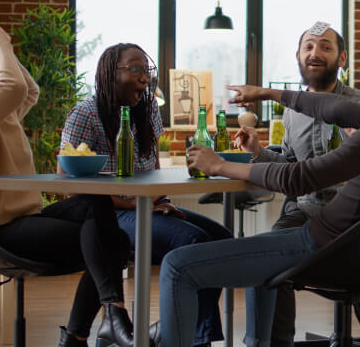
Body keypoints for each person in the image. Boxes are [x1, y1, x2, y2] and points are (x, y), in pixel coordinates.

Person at [159, 11, 360, 347]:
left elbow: (300, 178)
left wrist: (220, 165)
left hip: (323, 246)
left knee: (177, 266)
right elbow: (331, 108)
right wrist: (267, 93)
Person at [0, 26, 134, 347]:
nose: (0, 54)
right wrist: (0, 41)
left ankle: (96, 324)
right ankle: (102, 321)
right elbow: (13, 88)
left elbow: (27, 91)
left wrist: (3, 49)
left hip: (22, 220)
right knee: (113, 242)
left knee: (97, 205)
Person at [60, 42, 232, 347]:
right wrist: (129, 203)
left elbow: (152, 166)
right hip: (109, 214)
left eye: (147, 70)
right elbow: (67, 183)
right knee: (194, 241)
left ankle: (174, 331)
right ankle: (189, 338)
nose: (144, 78)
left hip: (145, 206)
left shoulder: (148, 108)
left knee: (221, 240)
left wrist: (161, 200)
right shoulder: (85, 113)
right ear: (111, 73)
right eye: (135, 69)